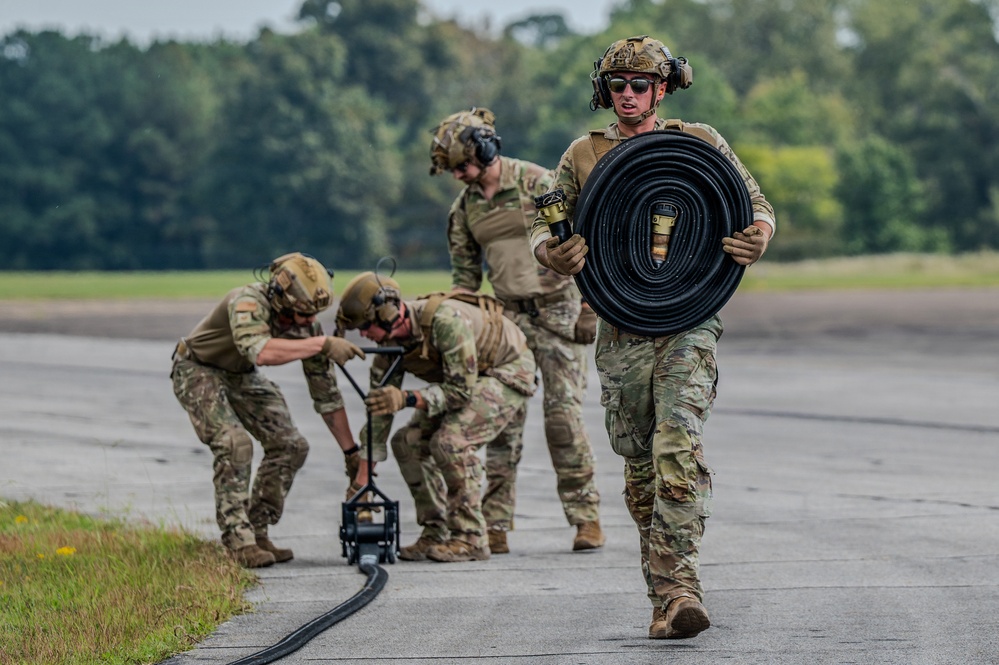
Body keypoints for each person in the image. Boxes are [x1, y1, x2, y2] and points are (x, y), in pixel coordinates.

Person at [530, 36, 775, 639]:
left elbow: (755, 203)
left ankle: (682, 590)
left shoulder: (699, 143)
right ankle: (663, 598)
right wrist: (555, 254)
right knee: (640, 472)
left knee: (676, 451)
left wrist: (760, 233)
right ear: (604, 91)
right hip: (620, 326)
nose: (630, 95)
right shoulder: (583, 155)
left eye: (642, 84)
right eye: (619, 86)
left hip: (689, 317)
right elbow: (544, 223)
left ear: (663, 88)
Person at [429, 107, 604, 553]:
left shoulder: (538, 183)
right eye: (453, 169)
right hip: (508, 323)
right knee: (502, 424)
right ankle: (495, 526)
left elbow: (588, 241)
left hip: (560, 313)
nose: (459, 175)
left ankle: (586, 519)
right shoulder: (465, 209)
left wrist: (590, 307)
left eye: (463, 165)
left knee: (563, 421)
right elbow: (465, 282)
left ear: (486, 150)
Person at [171, 252, 366, 568]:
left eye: (312, 316)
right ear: (279, 297)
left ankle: (257, 530)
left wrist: (351, 453)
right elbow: (259, 351)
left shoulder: (309, 328)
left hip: (241, 375)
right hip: (198, 369)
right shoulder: (247, 301)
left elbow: (327, 397)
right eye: (300, 315)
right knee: (234, 444)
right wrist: (321, 345)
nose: (307, 323)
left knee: (291, 445)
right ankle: (237, 540)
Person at [335, 272, 537, 562]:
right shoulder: (389, 349)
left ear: (387, 314)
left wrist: (406, 399)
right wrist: (361, 482)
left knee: (450, 442)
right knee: (406, 442)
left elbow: (460, 392)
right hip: (467, 379)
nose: (364, 335)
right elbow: (379, 413)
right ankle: (436, 530)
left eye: (365, 328)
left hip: (507, 370)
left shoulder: (446, 322)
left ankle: (469, 538)